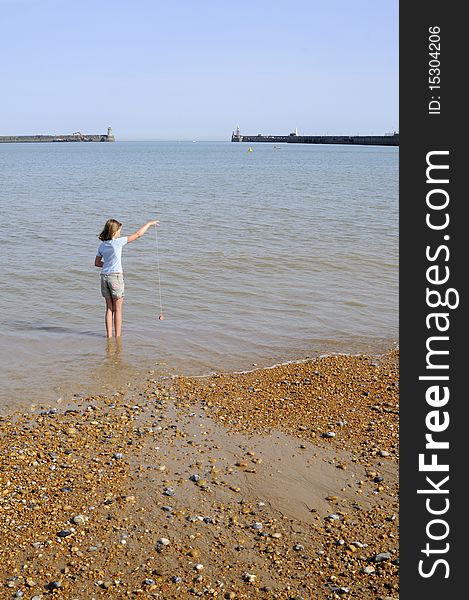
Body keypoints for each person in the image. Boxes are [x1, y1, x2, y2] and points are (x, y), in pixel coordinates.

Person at [95, 218, 159, 337]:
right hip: (116, 278)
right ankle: (117, 337)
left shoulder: (102, 245)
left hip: (104, 277)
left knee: (109, 308)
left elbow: (97, 263)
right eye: (119, 231)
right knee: (118, 309)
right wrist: (149, 224)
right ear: (114, 233)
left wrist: (107, 264)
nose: (120, 233)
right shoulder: (118, 242)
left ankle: (109, 336)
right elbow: (138, 234)